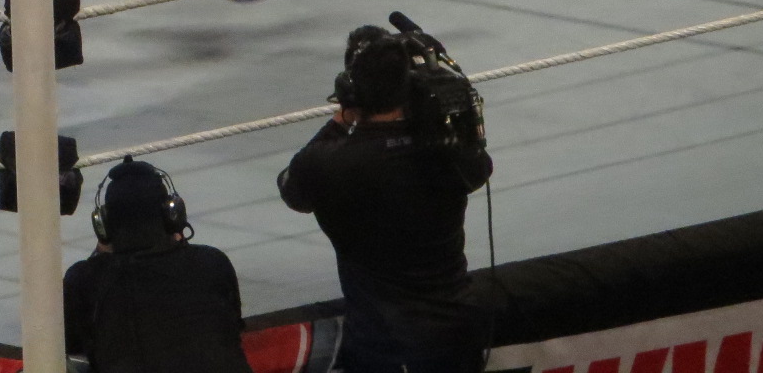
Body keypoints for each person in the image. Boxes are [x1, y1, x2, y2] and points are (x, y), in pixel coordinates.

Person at [279, 27, 493, 373]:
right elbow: (479, 163)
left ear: (350, 93)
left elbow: (293, 191)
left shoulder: (328, 165)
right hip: (458, 331)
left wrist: (343, 118)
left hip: (386, 345)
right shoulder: (448, 156)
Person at [64, 158, 253, 373]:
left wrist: (101, 250)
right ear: (173, 216)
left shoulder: (83, 279)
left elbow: (71, 347)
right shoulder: (212, 261)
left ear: (103, 226)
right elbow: (232, 328)